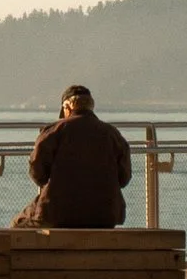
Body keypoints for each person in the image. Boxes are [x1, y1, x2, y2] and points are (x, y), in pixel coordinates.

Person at [17, 83, 132, 230]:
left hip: (59, 214)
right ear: (91, 107)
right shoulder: (112, 134)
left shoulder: (54, 131)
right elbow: (124, 178)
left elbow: (38, 173)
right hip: (105, 215)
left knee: (18, 225)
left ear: (68, 107)